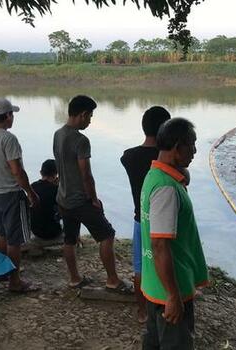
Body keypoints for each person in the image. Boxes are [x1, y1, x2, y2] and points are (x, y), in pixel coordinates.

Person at [141, 118, 208, 350]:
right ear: (177, 147)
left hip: (155, 285)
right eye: (191, 144)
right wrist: (173, 296)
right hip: (169, 288)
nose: (195, 151)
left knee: (154, 341)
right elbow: (159, 244)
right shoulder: (166, 189)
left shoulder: (155, 176)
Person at [53, 95, 131, 293]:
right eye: (90, 117)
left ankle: (74, 278)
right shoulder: (81, 140)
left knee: (69, 239)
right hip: (80, 200)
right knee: (107, 235)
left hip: (63, 198)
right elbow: (86, 174)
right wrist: (94, 199)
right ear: (82, 115)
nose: (90, 121)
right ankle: (113, 280)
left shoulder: (58, 134)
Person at [0, 97, 40, 293]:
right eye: (13, 114)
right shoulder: (8, 139)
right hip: (11, 193)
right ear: (8, 116)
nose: (13, 119)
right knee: (15, 240)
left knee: (2, 234)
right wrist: (30, 192)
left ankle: (3, 272)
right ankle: (15, 281)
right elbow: (17, 171)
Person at [121, 106, 171, 323]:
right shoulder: (168, 160)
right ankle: (167, 303)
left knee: (141, 267)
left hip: (139, 220)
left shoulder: (129, 157)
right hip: (163, 223)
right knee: (165, 262)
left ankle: (142, 312)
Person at [30, 159, 62, 241]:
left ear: (41, 172)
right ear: (56, 174)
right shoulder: (58, 189)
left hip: (36, 231)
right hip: (54, 233)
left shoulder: (32, 187)